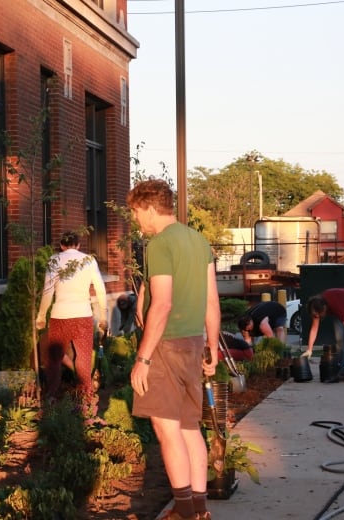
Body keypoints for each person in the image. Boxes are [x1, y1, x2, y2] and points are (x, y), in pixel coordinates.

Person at [127, 179, 221, 520]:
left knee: (167, 431)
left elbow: (162, 305)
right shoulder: (198, 241)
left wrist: (143, 358)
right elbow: (212, 299)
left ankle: (182, 513)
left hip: (166, 347)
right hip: (194, 342)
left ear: (151, 208)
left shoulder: (160, 244)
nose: (136, 219)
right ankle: (199, 510)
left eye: (136, 212)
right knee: (190, 428)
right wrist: (213, 345)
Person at [36, 231, 108, 397]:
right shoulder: (89, 260)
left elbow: (47, 292)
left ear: (61, 245)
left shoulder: (54, 260)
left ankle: (51, 396)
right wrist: (103, 315)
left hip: (59, 316)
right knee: (83, 358)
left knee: (54, 359)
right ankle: (85, 399)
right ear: (78, 245)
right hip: (83, 315)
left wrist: (41, 316)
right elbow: (100, 290)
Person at [304, 288, 344, 384]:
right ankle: (343, 372)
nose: (318, 318)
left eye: (319, 315)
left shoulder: (336, 306)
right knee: (340, 339)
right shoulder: (316, 305)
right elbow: (314, 329)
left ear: (324, 308)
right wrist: (309, 349)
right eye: (315, 316)